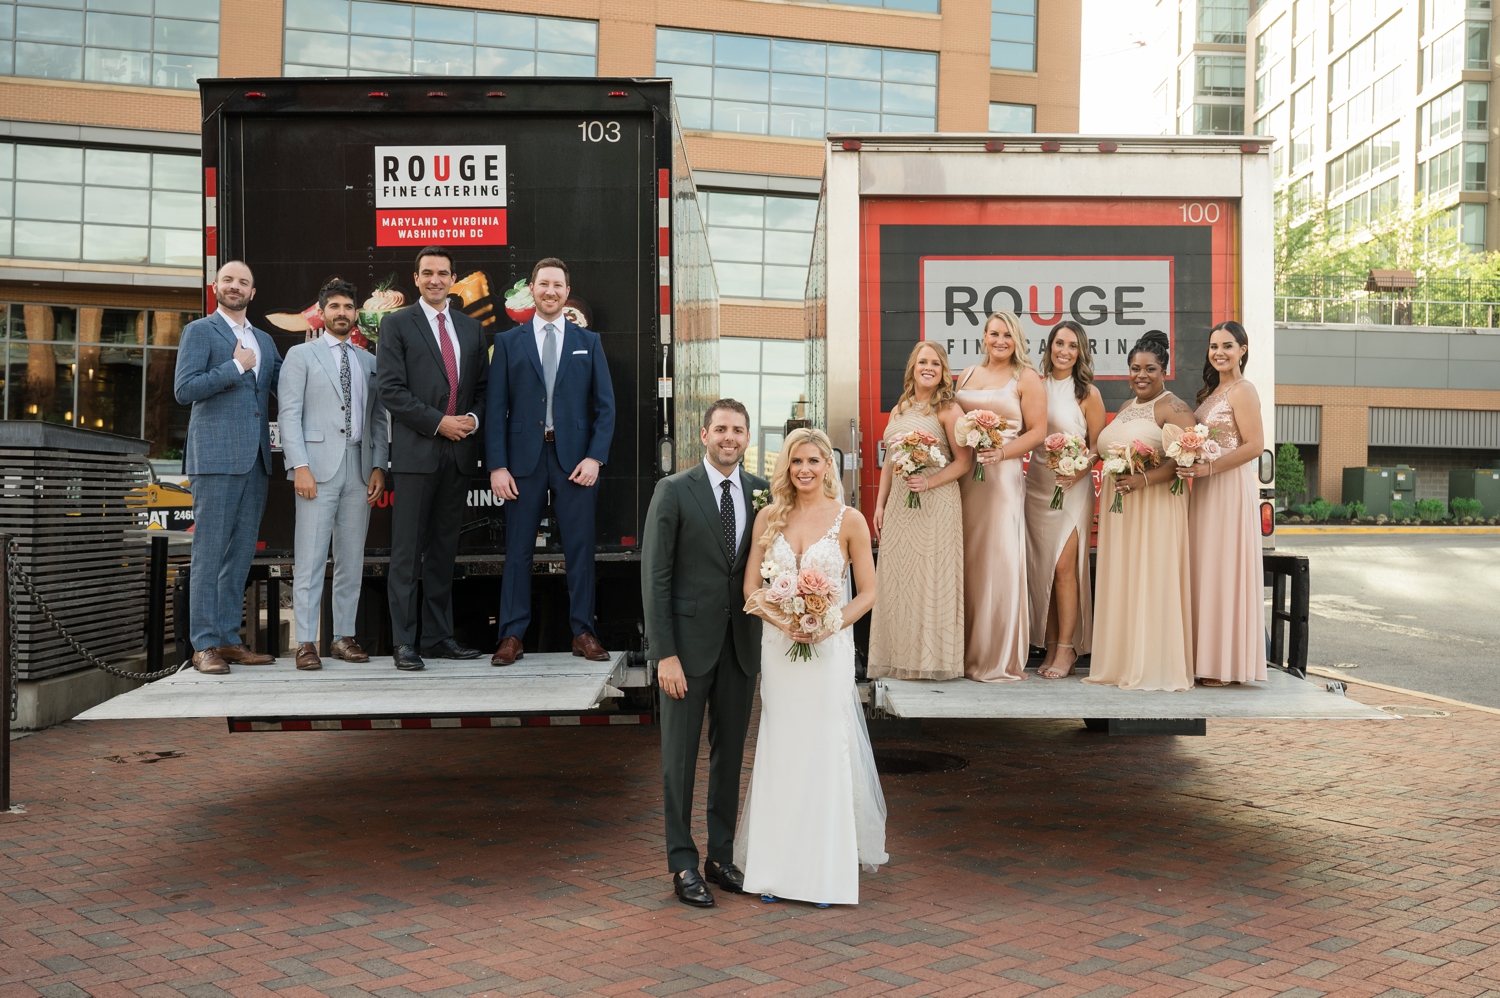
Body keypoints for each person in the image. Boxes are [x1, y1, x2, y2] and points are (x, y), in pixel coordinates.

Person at [736, 428, 885, 907]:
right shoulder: (768, 518)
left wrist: (828, 624)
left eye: (814, 461)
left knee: (824, 750)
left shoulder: (850, 520)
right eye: (796, 461)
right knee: (781, 748)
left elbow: (868, 592)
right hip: (780, 650)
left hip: (827, 650)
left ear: (828, 466)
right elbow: (749, 592)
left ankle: (825, 875)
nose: (804, 470)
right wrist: (786, 618)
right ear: (787, 466)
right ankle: (774, 873)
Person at [640, 400, 768, 907]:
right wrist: (664, 654)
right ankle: (682, 863)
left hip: (740, 648)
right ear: (704, 435)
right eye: (721, 429)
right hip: (685, 655)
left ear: (747, 436)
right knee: (679, 760)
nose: (729, 437)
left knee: (730, 757)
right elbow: (656, 578)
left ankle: (719, 857)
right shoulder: (673, 491)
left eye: (738, 430)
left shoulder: (761, 493)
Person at [487, 258, 616, 666]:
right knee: (518, 551)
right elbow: (495, 410)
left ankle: (583, 632)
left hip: (575, 461)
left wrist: (595, 457)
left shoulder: (588, 341)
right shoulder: (509, 342)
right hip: (523, 461)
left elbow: (605, 408)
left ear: (566, 291)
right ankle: (511, 635)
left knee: (579, 549)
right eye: (543, 284)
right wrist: (497, 465)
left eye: (558, 285)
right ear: (531, 289)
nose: (550, 291)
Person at [376, 246, 488, 672]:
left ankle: (438, 637)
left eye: (443, 273)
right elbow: (391, 390)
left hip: (459, 455)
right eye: (427, 273)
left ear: (453, 278)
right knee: (406, 554)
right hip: (417, 454)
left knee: (443, 553)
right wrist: (440, 422)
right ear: (416, 277)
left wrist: (473, 420)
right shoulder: (396, 324)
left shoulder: (471, 329)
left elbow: (483, 390)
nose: (435, 279)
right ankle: (405, 643)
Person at [173, 261, 282, 675]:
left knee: (238, 555)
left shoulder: (266, 341)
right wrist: (234, 367)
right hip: (215, 460)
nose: (235, 287)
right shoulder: (200, 331)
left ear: (253, 292)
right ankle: (203, 645)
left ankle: (227, 639)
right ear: (215, 286)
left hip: (255, 460)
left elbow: (286, 387)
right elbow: (185, 390)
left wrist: (315, 355)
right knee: (209, 552)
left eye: (244, 282)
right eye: (229, 280)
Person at [277, 279, 389, 671]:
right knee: (309, 560)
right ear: (322, 313)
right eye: (334, 306)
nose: (341, 313)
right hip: (316, 470)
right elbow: (288, 415)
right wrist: (300, 466)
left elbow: (378, 418)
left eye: (348, 307)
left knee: (350, 559)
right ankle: (306, 641)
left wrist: (379, 465)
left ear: (356, 313)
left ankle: (343, 636)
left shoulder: (369, 361)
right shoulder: (300, 355)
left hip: (359, 469)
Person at [1085, 330, 1198, 692]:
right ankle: (1122, 661)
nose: (1141, 375)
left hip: (1155, 507)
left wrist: (1144, 480)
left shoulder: (1173, 406)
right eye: (1135, 368)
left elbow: (1186, 457)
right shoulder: (1128, 407)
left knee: (1152, 577)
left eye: (1150, 368)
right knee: (1126, 580)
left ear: (1164, 370)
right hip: (1124, 511)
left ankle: (1154, 664)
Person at [867, 341, 970, 680]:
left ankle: (932, 663)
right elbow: (889, 463)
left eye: (936, 364)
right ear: (913, 367)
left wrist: (929, 483)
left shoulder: (949, 410)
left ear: (943, 373)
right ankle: (899, 658)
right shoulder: (900, 410)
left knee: (930, 581)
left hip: (936, 504)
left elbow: (964, 463)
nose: (929, 367)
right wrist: (880, 504)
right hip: (900, 504)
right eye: (923, 362)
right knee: (897, 580)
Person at [955, 310, 1047, 682]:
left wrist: (1001, 453)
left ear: (1017, 340)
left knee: (998, 562)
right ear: (984, 336)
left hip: (1002, 479)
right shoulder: (967, 374)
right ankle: (958, 653)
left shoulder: (1026, 377)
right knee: (967, 562)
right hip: (967, 479)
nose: (999, 341)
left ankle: (996, 656)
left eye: (1007, 335)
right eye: (994, 333)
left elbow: (1037, 431)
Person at [1178, 321, 1266, 686]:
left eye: (1228, 346)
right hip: (1206, 488)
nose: (1219, 352)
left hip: (1228, 486)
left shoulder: (1243, 390)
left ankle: (1224, 664)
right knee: (1206, 567)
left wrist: (1209, 468)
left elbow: (1254, 446)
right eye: (1214, 346)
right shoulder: (1212, 393)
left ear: (1243, 349)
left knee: (1224, 567)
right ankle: (1204, 657)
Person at [1026, 321, 1105, 679]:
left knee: (1063, 568)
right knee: (1044, 569)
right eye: (1059, 343)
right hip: (1038, 484)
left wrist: (1078, 470)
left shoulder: (1087, 393)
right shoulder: (1036, 387)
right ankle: (1052, 641)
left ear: (1080, 352)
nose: (1064, 350)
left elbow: (1098, 445)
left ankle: (1067, 648)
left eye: (1072, 345)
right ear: (1049, 347)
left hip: (1073, 485)